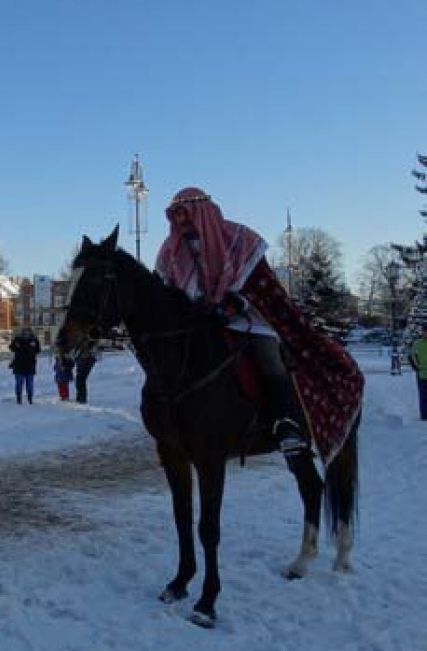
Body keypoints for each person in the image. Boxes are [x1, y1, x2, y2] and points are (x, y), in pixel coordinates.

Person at [155, 186, 363, 463]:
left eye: (184, 213)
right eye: (175, 215)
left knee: (269, 361)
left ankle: (286, 424)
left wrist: (235, 304)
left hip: (248, 321)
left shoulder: (239, 240)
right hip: (202, 325)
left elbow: (264, 287)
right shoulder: (171, 251)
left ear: (201, 211)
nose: (180, 221)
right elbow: (169, 292)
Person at [8, 328, 41, 404]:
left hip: (30, 365)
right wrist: (16, 345)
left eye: (28, 332)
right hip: (19, 365)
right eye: (25, 332)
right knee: (19, 383)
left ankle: (30, 398)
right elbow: (11, 347)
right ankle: (19, 398)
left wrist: (32, 348)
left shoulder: (34, 339)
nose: (27, 334)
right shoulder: (18, 339)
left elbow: (38, 350)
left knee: (30, 384)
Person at [408, 326, 427, 420]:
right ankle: (424, 415)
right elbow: (410, 355)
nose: (425, 333)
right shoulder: (417, 343)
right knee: (423, 395)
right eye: (424, 331)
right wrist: (415, 367)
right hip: (421, 374)